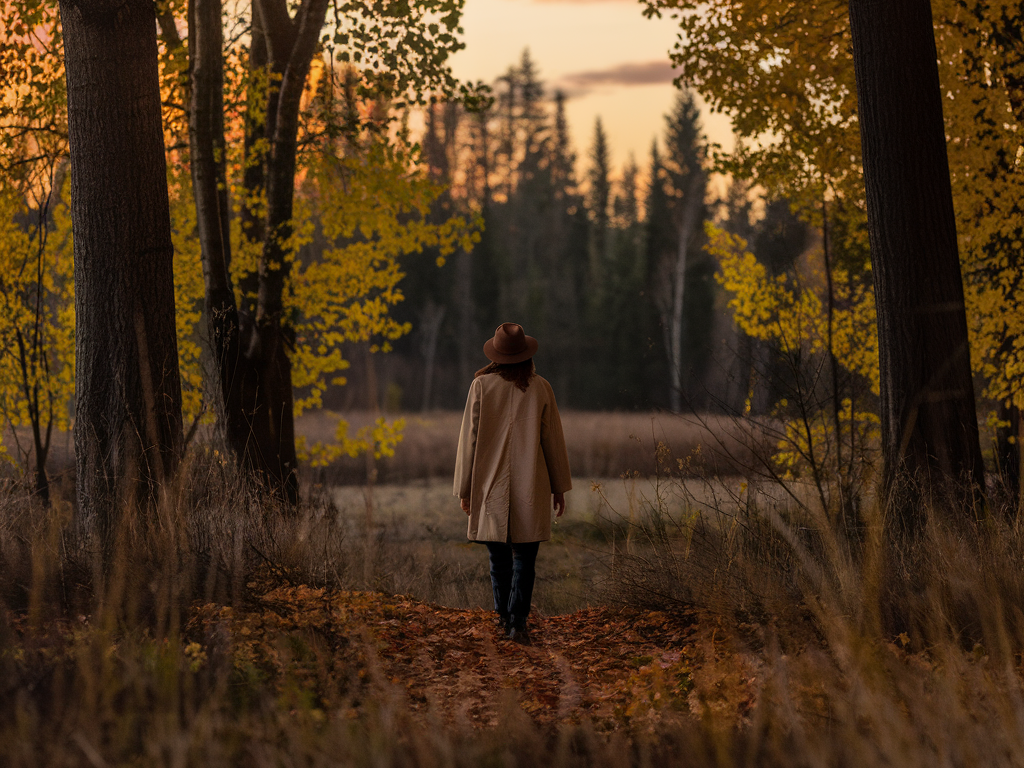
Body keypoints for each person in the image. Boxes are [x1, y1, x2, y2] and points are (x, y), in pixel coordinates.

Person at [454, 322, 572, 645]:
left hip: (489, 488)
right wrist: (558, 487)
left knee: (499, 560)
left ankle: (502, 619)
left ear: (495, 356)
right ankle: (518, 622)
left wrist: (465, 490)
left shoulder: (480, 387)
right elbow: (553, 442)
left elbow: (469, 443)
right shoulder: (540, 388)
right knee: (524, 560)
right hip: (530, 486)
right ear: (526, 355)